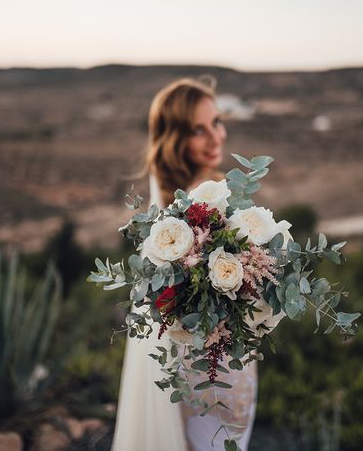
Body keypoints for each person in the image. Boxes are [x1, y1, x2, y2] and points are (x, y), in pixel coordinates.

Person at [111, 78, 257, 451]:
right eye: (197, 130)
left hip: (235, 359)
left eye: (217, 122)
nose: (215, 138)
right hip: (201, 369)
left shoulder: (222, 194)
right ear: (175, 138)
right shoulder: (179, 222)